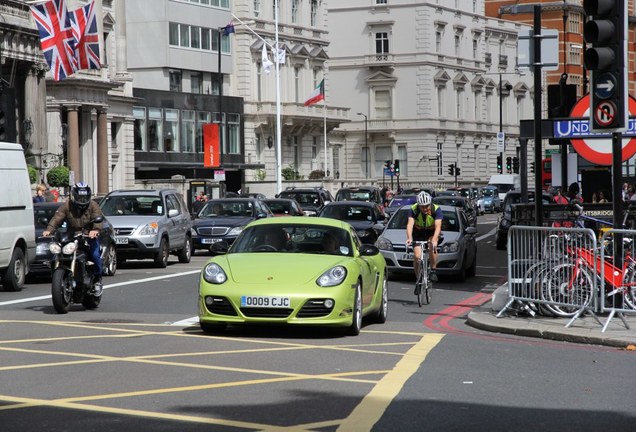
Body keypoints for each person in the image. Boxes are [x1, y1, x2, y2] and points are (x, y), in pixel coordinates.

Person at [43, 182, 104, 296]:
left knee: (95, 255)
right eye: (79, 197)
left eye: (84, 197)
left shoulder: (93, 205)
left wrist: (95, 230)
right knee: (56, 253)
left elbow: (98, 219)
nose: (82, 200)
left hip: (88, 235)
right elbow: (57, 217)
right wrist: (49, 229)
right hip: (71, 236)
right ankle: (58, 276)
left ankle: (97, 279)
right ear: (74, 196)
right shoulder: (67, 205)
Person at [406, 191, 443, 283]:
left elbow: (438, 226)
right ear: (418, 205)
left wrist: (434, 239)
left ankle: (433, 270)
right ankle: (418, 279)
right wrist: (409, 238)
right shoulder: (413, 209)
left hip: (431, 232)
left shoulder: (436, 209)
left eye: (427, 206)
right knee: (417, 257)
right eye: (422, 206)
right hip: (418, 232)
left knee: (432, 245)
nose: (425, 209)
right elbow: (410, 224)